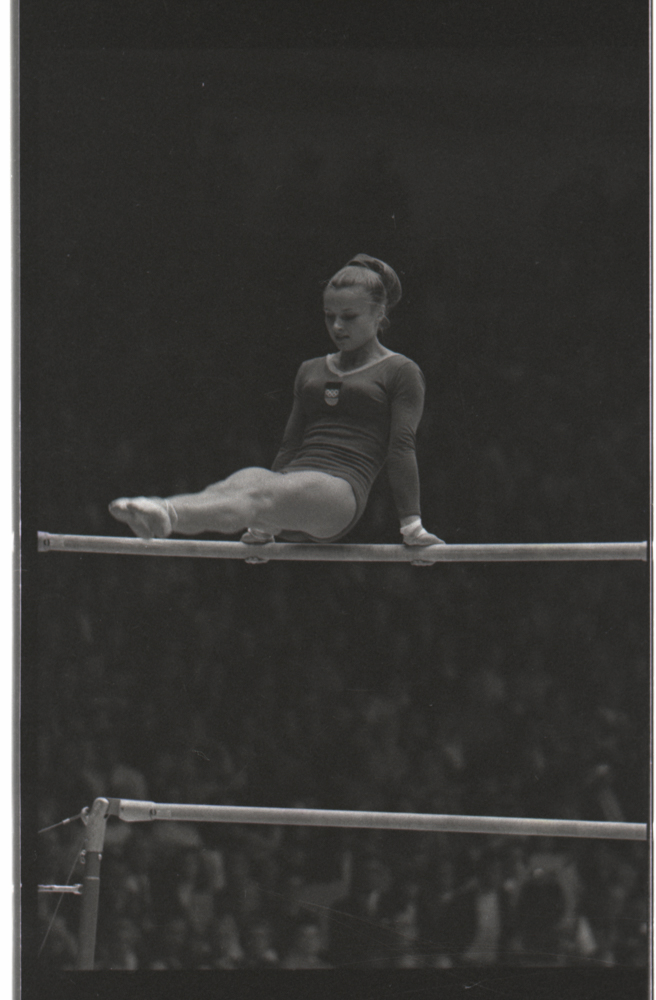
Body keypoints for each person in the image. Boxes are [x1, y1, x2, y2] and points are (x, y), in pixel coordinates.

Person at [109, 254, 443, 548]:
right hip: (293, 484)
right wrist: (266, 522)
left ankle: (166, 513)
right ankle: (162, 510)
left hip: (339, 494)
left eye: (349, 316)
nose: (337, 326)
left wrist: (411, 525)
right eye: (329, 316)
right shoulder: (310, 369)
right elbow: (291, 442)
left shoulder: (400, 371)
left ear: (379, 313)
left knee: (257, 495)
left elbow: (401, 447)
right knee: (236, 483)